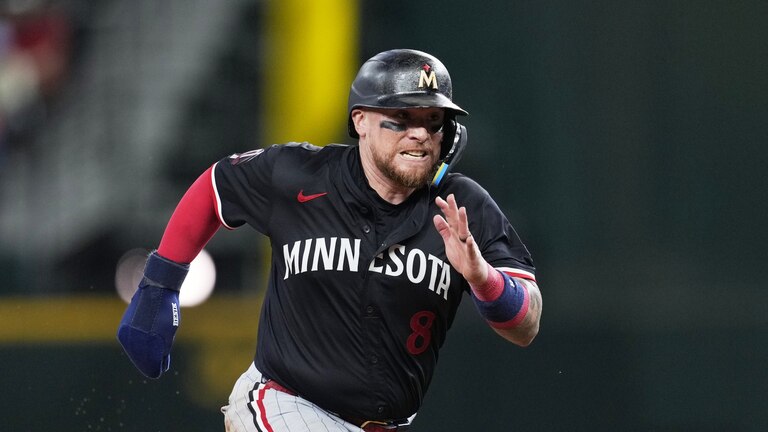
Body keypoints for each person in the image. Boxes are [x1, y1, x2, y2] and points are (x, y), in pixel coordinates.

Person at [117, 48, 542, 432]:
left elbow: (527, 324)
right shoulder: (299, 175)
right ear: (360, 120)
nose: (420, 134)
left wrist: (484, 280)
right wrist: (161, 283)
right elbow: (214, 188)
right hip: (284, 403)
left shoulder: (463, 207)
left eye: (433, 121)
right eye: (402, 118)